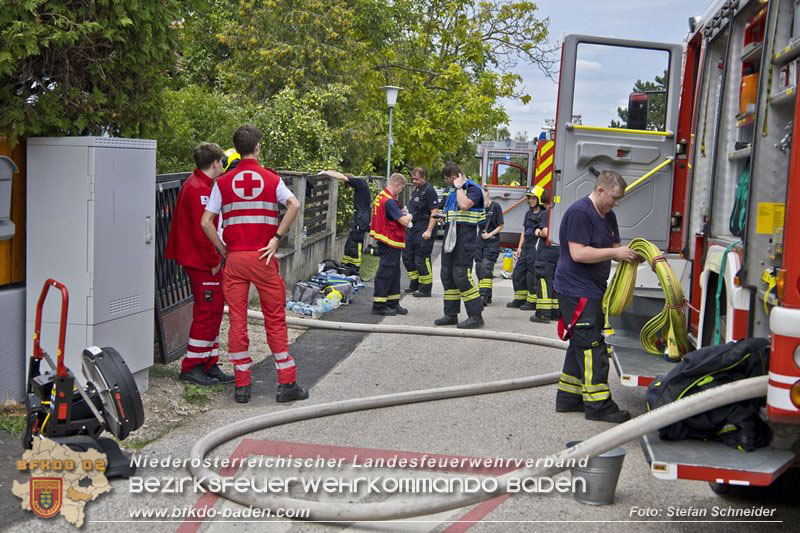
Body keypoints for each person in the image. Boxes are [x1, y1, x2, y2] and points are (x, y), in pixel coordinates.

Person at [200, 125, 309, 404]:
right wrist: (276, 238)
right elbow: (294, 205)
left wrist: (224, 249)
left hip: (236, 258)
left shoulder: (222, 182)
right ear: (257, 147)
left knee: (237, 319)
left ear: (236, 149)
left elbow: (205, 222)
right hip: (264, 257)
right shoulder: (271, 179)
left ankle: (242, 386)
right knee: (274, 318)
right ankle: (286, 384)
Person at [553, 170, 641, 423]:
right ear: (600, 190)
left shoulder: (607, 215)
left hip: (591, 289)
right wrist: (616, 254)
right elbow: (578, 253)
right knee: (592, 347)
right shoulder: (581, 212)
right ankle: (598, 405)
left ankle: (569, 398)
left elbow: (614, 246)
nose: (617, 202)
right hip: (576, 290)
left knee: (580, 343)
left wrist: (630, 253)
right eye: (614, 197)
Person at [164, 143, 234, 386]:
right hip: (202, 262)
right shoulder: (199, 189)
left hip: (199, 260)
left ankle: (208, 362)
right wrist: (215, 260)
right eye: (221, 162)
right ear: (215, 163)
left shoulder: (197, 184)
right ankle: (192, 366)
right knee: (207, 312)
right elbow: (203, 230)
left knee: (213, 311)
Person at [434, 163, 485, 329]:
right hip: (451, 237)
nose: (447, 183)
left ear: (454, 177)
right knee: (447, 275)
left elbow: (464, 205)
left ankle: (476, 316)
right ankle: (450, 314)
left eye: (448, 180)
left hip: (466, 239)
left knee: (461, 275)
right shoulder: (452, 192)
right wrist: (443, 217)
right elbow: (454, 212)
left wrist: (458, 187)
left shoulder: (473, 189)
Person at [370, 173, 413, 315]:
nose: (401, 191)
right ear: (397, 185)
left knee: (394, 272)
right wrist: (409, 215)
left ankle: (393, 303)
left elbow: (391, 215)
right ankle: (379, 305)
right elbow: (404, 221)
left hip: (388, 240)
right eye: (401, 188)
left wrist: (401, 213)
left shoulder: (382, 196)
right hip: (390, 240)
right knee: (386, 272)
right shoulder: (389, 201)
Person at [317, 169, 372, 276]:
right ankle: (349, 265)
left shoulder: (358, 182)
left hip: (362, 217)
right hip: (361, 216)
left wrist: (325, 172)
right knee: (351, 241)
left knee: (356, 242)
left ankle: (355, 267)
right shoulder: (360, 185)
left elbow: (340, 176)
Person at [507, 186, 546, 310]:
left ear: (539, 199)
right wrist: (519, 247)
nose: (530, 200)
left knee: (531, 274)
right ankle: (520, 298)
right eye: (529, 198)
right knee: (518, 272)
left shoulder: (543, 214)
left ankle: (532, 301)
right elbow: (524, 231)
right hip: (526, 247)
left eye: (533, 198)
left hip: (535, 247)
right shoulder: (528, 213)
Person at [402, 167, 440, 297]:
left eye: (416, 179)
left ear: (424, 178)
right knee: (407, 256)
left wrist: (429, 231)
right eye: (412, 178)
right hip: (413, 227)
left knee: (421, 258)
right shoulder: (416, 190)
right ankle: (415, 283)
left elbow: (434, 212)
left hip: (424, 228)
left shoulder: (429, 191)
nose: (414, 181)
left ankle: (425, 288)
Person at [530, 188, 560, 323]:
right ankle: (555, 312)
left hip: (546, 252)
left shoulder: (547, 213)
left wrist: (537, 231)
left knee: (543, 280)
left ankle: (543, 314)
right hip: (558, 251)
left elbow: (546, 232)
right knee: (554, 281)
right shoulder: (562, 212)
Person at [474, 186, 504, 305]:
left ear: (487, 193)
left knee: (486, 267)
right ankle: (487, 294)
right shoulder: (478, 208)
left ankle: (483, 295)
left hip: (492, 242)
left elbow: (501, 226)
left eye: (482, 193)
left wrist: (490, 234)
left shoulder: (495, 207)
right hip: (480, 242)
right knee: (478, 268)